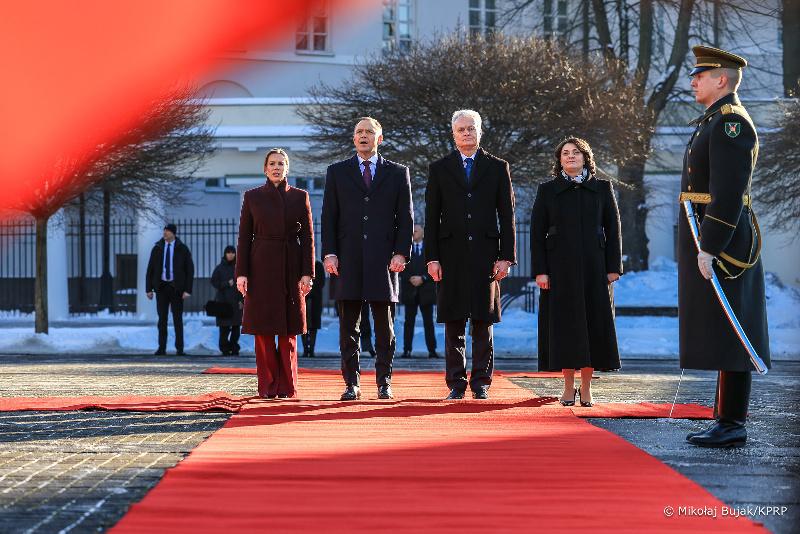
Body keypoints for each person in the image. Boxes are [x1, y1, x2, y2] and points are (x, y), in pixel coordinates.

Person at [679, 46, 771, 447]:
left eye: (701, 74)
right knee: (722, 326)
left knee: (735, 328)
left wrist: (710, 245)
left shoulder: (731, 123)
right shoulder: (713, 120)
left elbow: (729, 192)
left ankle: (733, 423)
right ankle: (724, 418)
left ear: (722, 79)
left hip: (724, 241)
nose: (693, 80)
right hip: (708, 235)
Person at [425, 109, 516, 400]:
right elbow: (431, 217)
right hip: (450, 256)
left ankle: (480, 383)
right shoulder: (439, 168)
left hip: (486, 256)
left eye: (471, 128)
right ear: (453, 134)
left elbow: (508, 215)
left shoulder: (498, 167)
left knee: (482, 321)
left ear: (480, 132)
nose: (466, 133)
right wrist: (432, 257)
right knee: (454, 322)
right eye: (461, 129)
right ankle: (456, 383)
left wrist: (506, 256)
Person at [321, 117, 413, 401]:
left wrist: (401, 252)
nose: (364, 136)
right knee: (349, 326)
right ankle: (352, 383)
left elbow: (406, 219)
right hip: (346, 259)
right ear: (353, 138)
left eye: (369, 132)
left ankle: (384, 382)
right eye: (359, 132)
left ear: (379, 138)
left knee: (385, 326)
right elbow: (329, 216)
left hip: (384, 260)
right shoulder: (337, 172)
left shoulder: (398, 173)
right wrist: (329, 253)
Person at [530, 137, 623, 407]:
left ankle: (587, 387)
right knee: (565, 327)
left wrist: (612, 267)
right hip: (559, 269)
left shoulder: (603, 188)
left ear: (586, 158)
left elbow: (613, 229)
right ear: (559, 160)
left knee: (593, 325)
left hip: (595, 268)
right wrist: (541, 271)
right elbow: (537, 234)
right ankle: (568, 387)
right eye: (565, 153)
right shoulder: (547, 190)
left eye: (576, 153)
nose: (571, 157)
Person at [236, 148, 314, 399]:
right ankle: (268, 387)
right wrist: (242, 273)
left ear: (287, 168)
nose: (277, 168)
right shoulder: (252, 197)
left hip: (290, 265)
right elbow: (243, 238)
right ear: (265, 168)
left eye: (281, 163)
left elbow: (308, 237)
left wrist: (307, 273)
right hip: (260, 267)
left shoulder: (300, 197)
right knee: (263, 331)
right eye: (272, 164)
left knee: (289, 331)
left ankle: (287, 386)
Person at [146, 223, 194, 356]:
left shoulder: (182, 249)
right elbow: (150, 269)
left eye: (167, 230)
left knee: (177, 319)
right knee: (162, 319)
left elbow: (189, 270)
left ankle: (180, 348)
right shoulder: (157, 248)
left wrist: (187, 290)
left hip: (176, 288)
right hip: (161, 288)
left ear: (173, 233)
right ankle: (162, 347)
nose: (165, 232)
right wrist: (148, 289)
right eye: (164, 230)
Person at [400, 225, 438, 358]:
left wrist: (423, 278)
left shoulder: (430, 248)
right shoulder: (406, 248)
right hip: (410, 291)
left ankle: (432, 350)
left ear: (422, 233)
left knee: (428, 322)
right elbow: (400, 267)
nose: (413, 234)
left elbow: (435, 266)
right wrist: (410, 278)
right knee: (408, 321)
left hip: (425, 292)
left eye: (415, 231)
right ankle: (407, 350)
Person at [210, 245, 244, 356]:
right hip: (223, 301)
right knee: (224, 328)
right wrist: (226, 284)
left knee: (235, 327)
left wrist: (241, 300)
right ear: (225, 254)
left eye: (233, 253)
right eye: (228, 253)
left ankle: (234, 347)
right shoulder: (220, 268)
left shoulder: (238, 267)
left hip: (235, 301)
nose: (231, 255)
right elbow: (214, 281)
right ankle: (224, 348)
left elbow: (243, 284)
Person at [300, 259, 325, 358]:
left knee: (313, 326)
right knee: (304, 325)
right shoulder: (302, 264)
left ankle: (311, 349)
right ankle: (306, 350)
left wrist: (311, 291)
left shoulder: (318, 266)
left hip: (315, 300)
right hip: (305, 298)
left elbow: (321, 282)